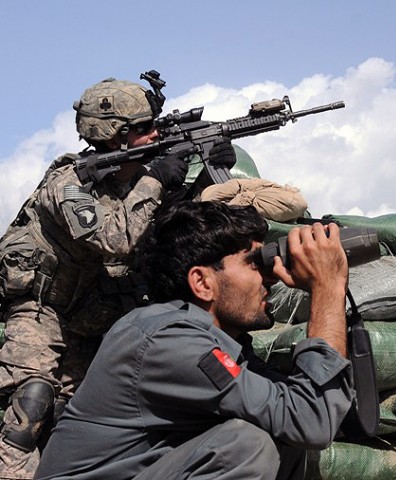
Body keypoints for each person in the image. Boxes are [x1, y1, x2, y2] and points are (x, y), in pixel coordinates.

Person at [0, 74, 236, 480]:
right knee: (32, 403)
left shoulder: (141, 184)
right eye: (143, 129)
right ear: (113, 137)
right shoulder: (68, 182)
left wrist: (205, 172)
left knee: (71, 416)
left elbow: (171, 234)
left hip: (93, 316)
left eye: (153, 126)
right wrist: (155, 179)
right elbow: (116, 239)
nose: (154, 135)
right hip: (40, 308)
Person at [35, 200, 354, 480]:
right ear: (202, 282)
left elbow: (300, 412)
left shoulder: (216, 341)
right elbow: (313, 419)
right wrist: (327, 288)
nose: (269, 275)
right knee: (245, 444)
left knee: (283, 436)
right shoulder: (170, 342)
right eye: (253, 262)